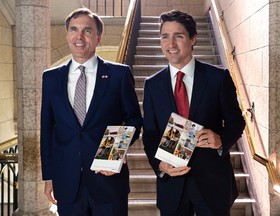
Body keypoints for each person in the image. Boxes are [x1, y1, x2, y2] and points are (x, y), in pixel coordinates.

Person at [40, 7, 142, 216]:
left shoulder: (119, 74)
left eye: (87, 30)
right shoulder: (51, 78)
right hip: (67, 182)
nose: (79, 36)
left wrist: (114, 152)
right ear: (67, 35)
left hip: (108, 180)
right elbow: (47, 129)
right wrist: (49, 176)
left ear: (98, 38)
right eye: (74, 29)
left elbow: (133, 119)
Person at [142, 10, 245, 216]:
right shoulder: (152, 85)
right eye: (165, 36)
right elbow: (151, 135)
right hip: (172, 183)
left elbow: (236, 122)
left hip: (212, 183)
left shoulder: (218, 78)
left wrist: (220, 140)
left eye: (178, 36)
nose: (171, 43)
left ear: (193, 39)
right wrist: (160, 165)